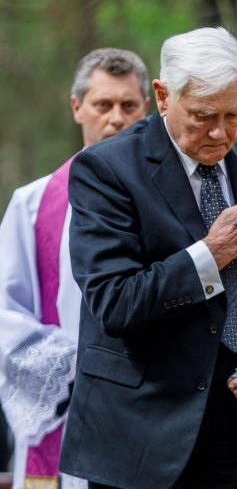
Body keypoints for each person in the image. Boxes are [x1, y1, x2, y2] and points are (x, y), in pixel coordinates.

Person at [59, 27, 237, 489]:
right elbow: (114, 302)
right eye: (203, 115)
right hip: (140, 436)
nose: (220, 132)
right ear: (162, 96)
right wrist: (213, 252)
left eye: (233, 114)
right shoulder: (105, 169)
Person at [0, 48, 150, 489]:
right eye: (103, 105)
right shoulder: (33, 205)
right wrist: (73, 369)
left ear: (149, 110)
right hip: (69, 411)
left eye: (129, 106)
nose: (116, 119)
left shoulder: (170, 203)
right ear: (77, 108)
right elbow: (4, 313)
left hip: (153, 414)